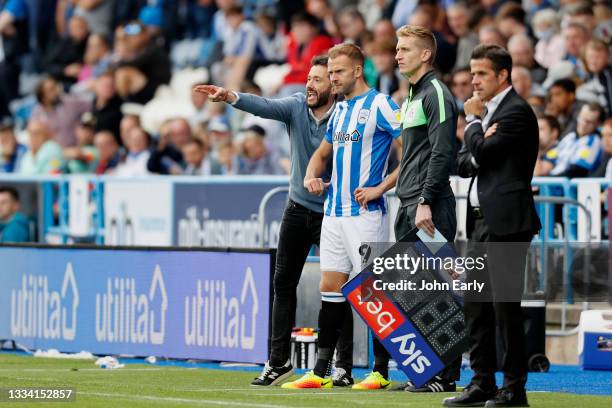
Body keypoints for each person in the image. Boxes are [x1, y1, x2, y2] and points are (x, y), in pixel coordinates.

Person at [193, 55, 355, 387]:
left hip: (334, 213)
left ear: (334, 85)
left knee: (338, 289)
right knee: (282, 284)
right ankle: (278, 361)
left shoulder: (348, 114)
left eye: (318, 80)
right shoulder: (296, 106)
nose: (310, 85)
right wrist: (229, 96)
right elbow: (262, 106)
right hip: (297, 209)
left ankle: (343, 365)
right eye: (309, 78)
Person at [280, 43, 401, 390]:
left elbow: (410, 151)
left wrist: (381, 188)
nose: (333, 78)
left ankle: (380, 372)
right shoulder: (340, 110)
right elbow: (321, 154)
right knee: (330, 288)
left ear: (358, 71)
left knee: (373, 292)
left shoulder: (380, 104)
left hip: (365, 215)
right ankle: (321, 372)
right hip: (333, 213)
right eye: (330, 72)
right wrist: (308, 176)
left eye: (339, 72)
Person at [447, 44, 541, 407]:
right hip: (479, 223)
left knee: (505, 307)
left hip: (506, 223)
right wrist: (479, 138)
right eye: (472, 73)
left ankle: (515, 388)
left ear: (502, 75)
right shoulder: (491, 115)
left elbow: (482, 155)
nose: (474, 81)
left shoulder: (516, 112)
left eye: (481, 73)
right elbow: (464, 162)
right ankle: (482, 383)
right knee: (476, 306)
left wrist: (473, 125)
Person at [378, 24, 462, 393]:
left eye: (405, 49)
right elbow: (412, 155)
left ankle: (445, 376)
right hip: (408, 202)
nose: (397, 55)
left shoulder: (436, 94)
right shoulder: (411, 95)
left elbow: (443, 152)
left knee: (439, 290)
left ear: (426, 54)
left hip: (429, 205)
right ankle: (425, 370)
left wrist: (425, 200)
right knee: (414, 291)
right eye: (397, 49)